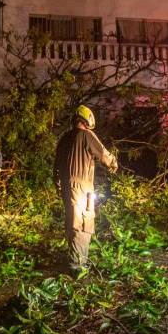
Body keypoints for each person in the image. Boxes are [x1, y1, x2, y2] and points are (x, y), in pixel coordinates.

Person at [54, 105, 118, 272]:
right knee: (83, 224)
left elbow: (56, 166)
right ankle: (78, 265)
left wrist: (59, 185)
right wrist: (113, 163)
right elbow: (103, 154)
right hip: (82, 186)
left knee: (71, 221)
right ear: (86, 120)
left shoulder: (64, 138)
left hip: (67, 186)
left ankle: (75, 259)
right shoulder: (87, 135)